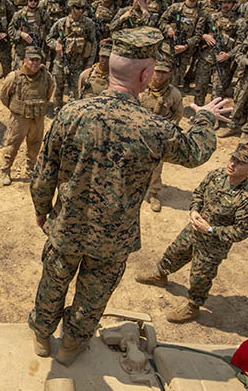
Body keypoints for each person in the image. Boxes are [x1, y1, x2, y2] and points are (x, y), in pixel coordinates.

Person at [28, 27, 230, 365]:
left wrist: (41, 210)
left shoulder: (71, 114)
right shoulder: (153, 127)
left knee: (54, 278)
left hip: (66, 227)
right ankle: (70, 346)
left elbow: (43, 173)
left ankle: (41, 334)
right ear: (146, 75)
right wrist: (205, 118)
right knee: (93, 295)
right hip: (113, 238)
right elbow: (196, 151)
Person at [135, 144, 248, 323]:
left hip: (214, 244)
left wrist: (210, 230)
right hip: (193, 229)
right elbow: (199, 194)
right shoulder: (217, 175)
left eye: (240, 163)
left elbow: (242, 231)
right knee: (175, 252)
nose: (233, 164)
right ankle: (160, 275)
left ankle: (193, 307)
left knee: (200, 276)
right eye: (233, 158)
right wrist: (194, 210)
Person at [0, 46, 53, 185]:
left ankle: (31, 170)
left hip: (38, 118)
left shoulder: (46, 76)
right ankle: (5, 170)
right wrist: (16, 109)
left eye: (37, 60)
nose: (35, 63)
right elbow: (4, 96)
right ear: (25, 61)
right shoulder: (14, 77)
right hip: (19, 119)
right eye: (32, 60)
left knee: (35, 145)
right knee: (12, 145)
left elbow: (49, 93)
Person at [138, 59, 183, 212]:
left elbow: (178, 114)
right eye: (157, 71)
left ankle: (153, 194)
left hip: (158, 138)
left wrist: (167, 131)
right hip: (138, 133)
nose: (160, 75)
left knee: (156, 167)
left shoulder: (174, 93)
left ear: (169, 74)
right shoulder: (141, 87)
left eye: (164, 72)